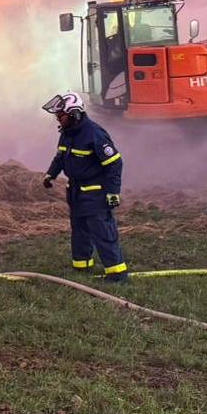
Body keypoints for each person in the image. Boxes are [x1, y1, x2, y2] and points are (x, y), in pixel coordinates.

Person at [41, 92, 127, 281]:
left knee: (103, 232)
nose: (58, 118)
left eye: (61, 115)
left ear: (74, 114)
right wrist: (51, 174)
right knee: (79, 230)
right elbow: (61, 157)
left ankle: (117, 274)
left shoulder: (94, 134)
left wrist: (113, 193)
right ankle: (82, 265)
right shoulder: (67, 133)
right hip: (76, 192)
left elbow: (114, 163)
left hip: (95, 193)